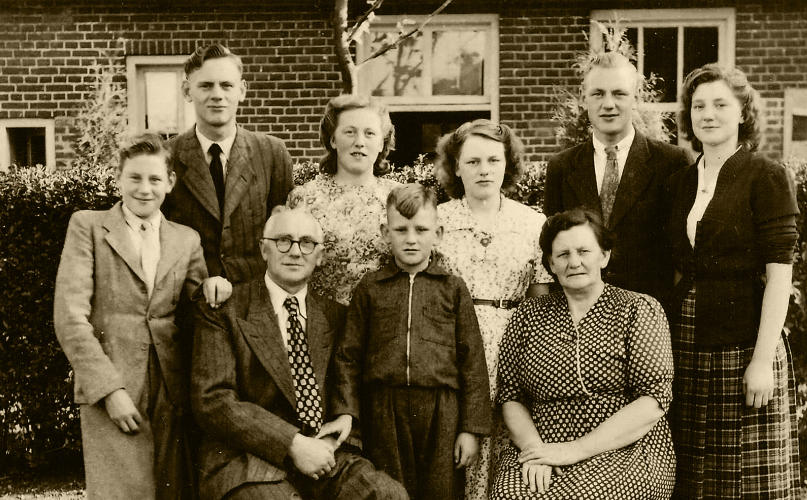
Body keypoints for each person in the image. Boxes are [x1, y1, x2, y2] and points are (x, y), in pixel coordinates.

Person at [53, 133, 231, 499]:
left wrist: (216, 287)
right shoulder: (88, 226)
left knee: (172, 490)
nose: (144, 189)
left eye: (154, 179)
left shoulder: (186, 239)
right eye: (134, 178)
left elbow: (199, 307)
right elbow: (70, 317)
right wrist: (108, 389)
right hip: (114, 379)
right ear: (118, 178)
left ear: (170, 182)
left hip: (172, 385)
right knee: (121, 491)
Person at [191, 205, 408, 500]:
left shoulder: (335, 316)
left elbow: (350, 377)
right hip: (250, 459)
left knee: (387, 495)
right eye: (283, 240)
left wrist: (345, 417)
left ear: (319, 256)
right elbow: (214, 401)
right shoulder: (226, 309)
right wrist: (291, 444)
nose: (295, 251)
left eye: (307, 243)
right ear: (264, 249)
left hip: (324, 453)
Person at [667, 63, 801, 499]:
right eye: (699, 106)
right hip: (686, 340)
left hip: (744, 342)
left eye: (721, 104)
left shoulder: (765, 175)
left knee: (743, 477)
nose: (708, 114)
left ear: (743, 112)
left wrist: (762, 360)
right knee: (694, 470)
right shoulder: (683, 181)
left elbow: (780, 274)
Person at [491, 208, 675, 499]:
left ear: (604, 256)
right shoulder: (528, 315)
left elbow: (653, 400)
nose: (574, 262)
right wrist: (535, 451)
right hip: (542, 443)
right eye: (562, 255)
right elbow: (511, 397)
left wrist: (571, 451)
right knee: (510, 495)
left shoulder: (637, 309)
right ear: (550, 263)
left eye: (583, 251)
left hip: (624, 447)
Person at [330, 184, 491, 500]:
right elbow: (347, 356)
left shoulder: (452, 288)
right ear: (385, 232)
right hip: (383, 408)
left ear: (439, 232)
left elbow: (472, 361)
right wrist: (347, 411)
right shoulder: (371, 288)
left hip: (441, 410)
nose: (411, 238)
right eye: (400, 229)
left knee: (441, 491)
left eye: (421, 229)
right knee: (390, 491)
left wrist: (471, 429)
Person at [432, 119, 552, 500]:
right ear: (456, 167)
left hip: (515, 342)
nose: (484, 170)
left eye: (493, 160)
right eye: (473, 162)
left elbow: (541, 297)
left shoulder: (533, 223)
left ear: (507, 164)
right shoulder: (438, 221)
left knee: (509, 440)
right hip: (453, 344)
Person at [543, 51, 688, 301]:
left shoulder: (672, 162)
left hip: (651, 316)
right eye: (598, 93)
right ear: (584, 98)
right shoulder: (562, 167)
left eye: (619, 93)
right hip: (581, 314)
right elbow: (553, 249)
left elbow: (682, 256)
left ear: (635, 98)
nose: (608, 104)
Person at [164, 43, 294, 285]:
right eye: (205, 85)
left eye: (226, 85)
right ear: (186, 90)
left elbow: (284, 236)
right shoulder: (167, 156)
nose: (217, 95)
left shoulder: (272, 153)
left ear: (242, 90)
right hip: (190, 299)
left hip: (256, 299)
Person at [288, 94, 400, 304]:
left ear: (381, 143)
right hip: (323, 323)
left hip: (384, 322)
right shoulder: (304, 198)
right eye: (350, 132)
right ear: (333, 140)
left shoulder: (397, 197)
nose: (359, 142)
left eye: (369, 133)